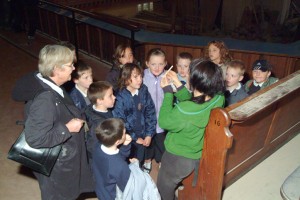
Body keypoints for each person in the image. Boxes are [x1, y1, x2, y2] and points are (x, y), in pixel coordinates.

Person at [11, 44, 94, 200]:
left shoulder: (46, 80)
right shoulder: (45, 99)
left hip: (62, 160)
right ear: (57, 69)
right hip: (57, 167)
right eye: (70, 65)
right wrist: (67, 128)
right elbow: (35, 139)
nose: (73, 68)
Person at [157, 59, 225, 200]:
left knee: (164, 187)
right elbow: (194, 99)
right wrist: (178, 83)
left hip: (177, 157)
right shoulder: (219, 98)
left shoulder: (184, 111)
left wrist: (168, 92)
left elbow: (163, 121)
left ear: (194, 82)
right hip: (196, 153)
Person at [92, 118, 160, 200]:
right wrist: (135, 165)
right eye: (124, 133)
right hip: (113, 195)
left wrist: (125, 145)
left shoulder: (98, 147)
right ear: (117, 142)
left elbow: (115, 157)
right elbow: (128, 187)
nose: (127, 133)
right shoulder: (120, 166)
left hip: (102, 189)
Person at [113, 63, 157, 168]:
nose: (140, 80)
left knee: (139, 161)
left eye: (141, 76)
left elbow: (150, 112)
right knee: (128, 162)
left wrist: (148, 134)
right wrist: (134, 137)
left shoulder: (143, 90)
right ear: (126, 78)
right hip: (128, 138)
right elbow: (120, 120)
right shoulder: (120, 96)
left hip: (143, 134)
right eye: (135, 77)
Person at [143, 48, 168, 172]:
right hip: (147, 119)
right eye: (153, 64)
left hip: (162, 118)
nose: (157, 67)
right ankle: (147, 161)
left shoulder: (168, 76)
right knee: (148, 143)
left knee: (161, 143)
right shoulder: (142, 76)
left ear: (165, 64)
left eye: (160, 64)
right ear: (147, 63)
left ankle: (162, 161)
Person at [85, 81, 116, 161]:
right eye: (110, 96)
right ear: (99, 101)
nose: (114, 97)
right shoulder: (99, 123)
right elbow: (93, 146)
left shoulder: (96, 109)